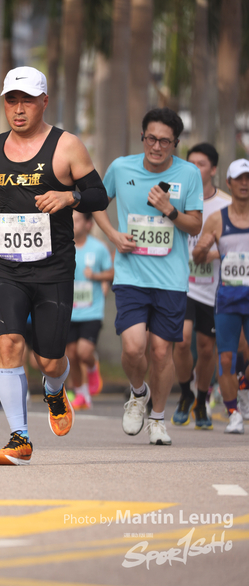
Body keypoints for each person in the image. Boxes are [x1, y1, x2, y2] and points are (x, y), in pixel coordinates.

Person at [0, 66, 108, 465]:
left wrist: (69, 197)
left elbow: (98, 194)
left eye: (27, 101)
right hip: (6, 265)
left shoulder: (67, 146)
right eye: (12, 101)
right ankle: (19, 437)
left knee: (49, 359)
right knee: (8, 344)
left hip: (53, 267)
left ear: (44, 102)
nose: (18, 109)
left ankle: (54, 389)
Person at [94, 107, 203, 445]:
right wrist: (114, 235)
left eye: (165, 141)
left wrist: (170, 210)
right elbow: (96, 203)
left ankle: (157, 419)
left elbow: (195, 225)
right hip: (131, 275)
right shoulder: (120, 167)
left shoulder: (189, 174)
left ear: (176, 143)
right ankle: (138, 392)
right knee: (133, 347)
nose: (157, 146)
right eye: (151, 138)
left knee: (160, 352)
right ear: (143, 137)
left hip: (171, 279)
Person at [172, 143, 231, 429]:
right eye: (191, 163)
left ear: (214, 169)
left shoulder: (226, 205)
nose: (195, 168)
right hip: (181, 283)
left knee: (207, 349)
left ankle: (202, 401)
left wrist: (213, 253)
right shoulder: (176, 198)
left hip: (213, 287)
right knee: (183, 340)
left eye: (202, 164)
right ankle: (185, 393)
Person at [193, 158, 249, 434]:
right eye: (239, 179)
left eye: (248, 179)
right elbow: (197, 255)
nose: (244, 183)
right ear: (229, 182)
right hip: (228, 297)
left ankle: (243, 387)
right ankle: (233, 412)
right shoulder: (217, 218)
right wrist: (204, 250)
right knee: (226, 358)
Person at [66, 210, 113, 410]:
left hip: (91, 311)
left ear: (88, 224)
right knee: (71, 355)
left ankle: (93, 366)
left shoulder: (99, 248)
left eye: (77, 220)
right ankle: (82, 394)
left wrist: (95, 276)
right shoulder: (64, 247)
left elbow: (111, 273)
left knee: (84, 352)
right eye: (71, 220)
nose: (73, 223)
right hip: (69, 311)